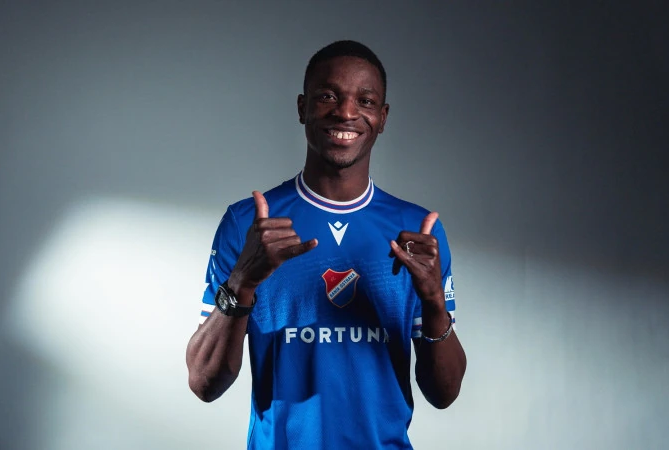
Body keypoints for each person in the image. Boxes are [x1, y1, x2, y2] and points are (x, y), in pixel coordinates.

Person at [186, 40, 467, 449]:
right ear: (302, 107)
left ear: (382, 117)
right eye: (328, 96)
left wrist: (434, 304)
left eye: (365, 101)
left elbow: (445, 393)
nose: (346, 112)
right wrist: (241, 282)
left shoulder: (417, 232)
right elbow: (204, 383)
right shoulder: (250, 225)